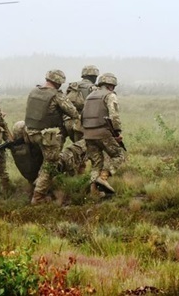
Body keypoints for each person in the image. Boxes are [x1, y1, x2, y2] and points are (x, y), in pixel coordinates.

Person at [24, 69, 80, 205]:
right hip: (47, 136)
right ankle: (38, 197)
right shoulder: (56, 95)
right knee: (50, 164)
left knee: (41, 161)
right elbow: (72, 112)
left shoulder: (33, 91)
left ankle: (36, 186)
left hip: (29, 132)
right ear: (59, 83)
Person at [82, 72, 125, 197]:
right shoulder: (110, 95)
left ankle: (94, 192)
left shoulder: (89, 96)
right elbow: (114, 116)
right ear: (111, 86)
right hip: (103, 133)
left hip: (88, 134)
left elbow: (82, 116)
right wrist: (117, 133)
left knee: (96, 163)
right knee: (118, 155)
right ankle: (104, 177)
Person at [64, 65, 99, 142]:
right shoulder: (93, 88)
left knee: (76, 146)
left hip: (68, 122)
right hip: (82, 123)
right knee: (83, 148)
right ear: (94, 77)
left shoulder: (73, 86)